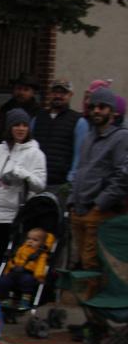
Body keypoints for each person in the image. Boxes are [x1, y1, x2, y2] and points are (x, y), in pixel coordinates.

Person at [68, 87, 128, 277]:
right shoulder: (88, 138)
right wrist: (71, 200)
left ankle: (98, 304)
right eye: (93, 106)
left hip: (99, 211)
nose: (96, 111)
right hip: (78, 209)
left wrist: (100, 204)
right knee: (82, 264)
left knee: (93, 264)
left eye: (102, 107)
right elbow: (80, 170)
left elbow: (123, 174)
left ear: (112, 111)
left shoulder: (121, 137)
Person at [0, 108, 47, 269]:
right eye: (17, 125)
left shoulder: (35, 154)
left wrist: (22, 173)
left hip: (12, 217)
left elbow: (40, 185)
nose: (21, 129)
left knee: (11, 259)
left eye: (25, 125)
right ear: (9, 127)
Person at [31, 78, 88, 195]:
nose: (58, 96)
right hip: (36, 183)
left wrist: (71, 181)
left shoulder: (79, 121)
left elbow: (80, 155)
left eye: (63, 93)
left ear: (71, 95)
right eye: (55, 92)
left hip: (61, 185)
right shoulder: (37, 119)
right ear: (50, 94)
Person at [0, 227, 52, 309]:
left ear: (42, 243)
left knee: (27, 281)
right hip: (14, 271)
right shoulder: (21, 249)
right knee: (3, 281)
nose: (30, 241)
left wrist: (39, 276)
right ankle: (5, 298)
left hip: (28, 273)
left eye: (35, 240)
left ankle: (25, 300)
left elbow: (40, 266)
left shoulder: (41, 255)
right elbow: (14, 260)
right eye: (29, 238)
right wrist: (7, 270)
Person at [0, 72, 40, 155]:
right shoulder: (2, 112)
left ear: (32, 93)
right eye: (18, 88)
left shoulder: (39, 114)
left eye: (26, 90)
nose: (21, 92)